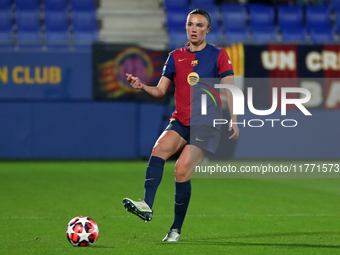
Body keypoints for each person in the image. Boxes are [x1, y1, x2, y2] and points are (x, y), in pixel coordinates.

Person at [123, 8, 239, 242]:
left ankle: (175, 229)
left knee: (181, 170)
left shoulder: (218, 55)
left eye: (198, 25)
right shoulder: (175, 56)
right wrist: (142, 86)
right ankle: (146, 204)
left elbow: (231, 90)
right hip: (180, 120)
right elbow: (160, 91)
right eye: (190, 24)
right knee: (158, 150)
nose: (193, 29)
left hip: (206, 125)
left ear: (207, 29)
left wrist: (234, 119)